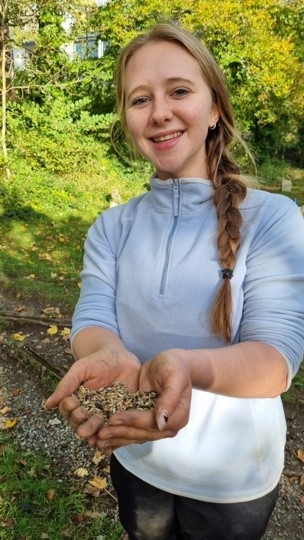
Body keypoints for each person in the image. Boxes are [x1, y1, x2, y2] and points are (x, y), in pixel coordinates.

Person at [45, 21, 304, 540]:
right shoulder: (111, 226)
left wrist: (182, 365)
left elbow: (275, 361)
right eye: (140, 99)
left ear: (213, 109)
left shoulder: (275, 219)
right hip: (138, 457)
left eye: (179, 91)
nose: (159, 111)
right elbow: (94, 317)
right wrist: (106, 355)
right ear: (127, 119)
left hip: (232, 481)